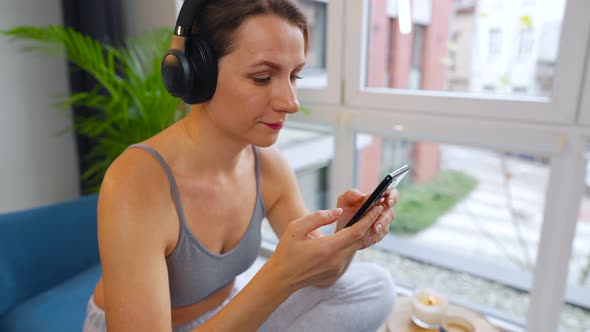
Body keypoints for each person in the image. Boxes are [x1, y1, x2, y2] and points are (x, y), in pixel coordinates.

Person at [82, 0, 399, 331]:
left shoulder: (270, 168)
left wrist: (348, 236)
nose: (291, 102)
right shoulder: (136, 181)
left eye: (295, 75)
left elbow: (322, 278)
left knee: (375, 286)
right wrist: (281, 276)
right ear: (196, 74)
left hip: (228, 314)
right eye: (263, 77)